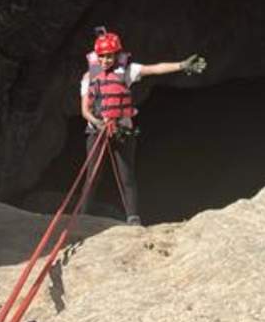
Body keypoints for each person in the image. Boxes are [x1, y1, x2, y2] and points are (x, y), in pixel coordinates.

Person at [80, 27, 207, 226]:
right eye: (102, 56)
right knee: (92, 175)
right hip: (98, 131)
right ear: (97, 56)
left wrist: (181, 65)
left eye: (110, 56)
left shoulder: (128, 72)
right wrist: (97, 122)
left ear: (117, 55)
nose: (106, 60)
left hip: (123, 131)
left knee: (126, 175)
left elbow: (155, 68)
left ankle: (133, 217)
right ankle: (81, 215)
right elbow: (85, 109)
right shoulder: (89, 78)